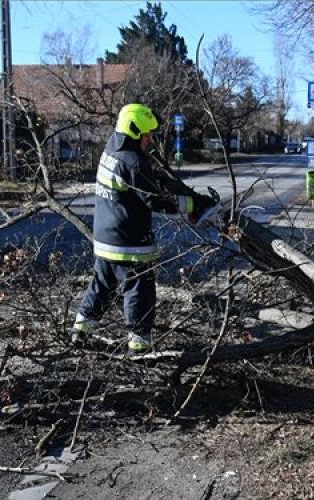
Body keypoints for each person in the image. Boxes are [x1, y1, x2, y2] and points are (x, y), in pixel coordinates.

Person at [72, 103, 215, 354]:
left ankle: (80, 332)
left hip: (105, 238)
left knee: (101, 286)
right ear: (134, 131)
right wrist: (194, 204)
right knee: (139, 291)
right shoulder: (133, 162)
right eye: (147, 134)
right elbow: (155, 200)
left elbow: (144, 178)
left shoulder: (111, 150)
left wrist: (165, 180)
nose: (150, 139)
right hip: (129, 241)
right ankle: (139, 347)